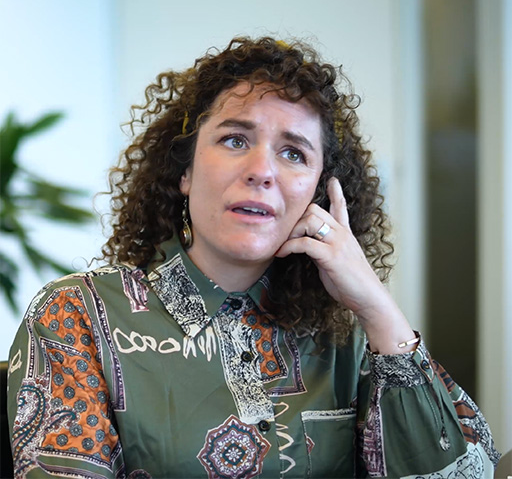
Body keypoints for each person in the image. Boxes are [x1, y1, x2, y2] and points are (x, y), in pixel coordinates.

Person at [7, 37, 500, 478]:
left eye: (293, 153)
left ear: (318, 194)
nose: (262, 170)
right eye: (235, 139)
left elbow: (470, 473)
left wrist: (376, 306)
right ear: (185, 172)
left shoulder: (348, 335)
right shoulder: (76, 316)